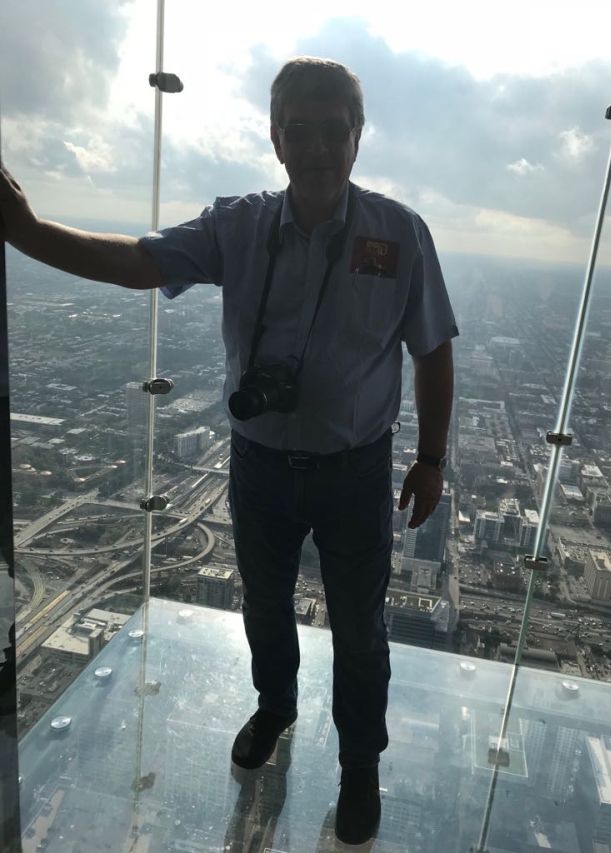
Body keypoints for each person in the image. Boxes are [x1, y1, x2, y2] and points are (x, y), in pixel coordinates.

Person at [0, 56, 458, 845]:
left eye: (334, 131)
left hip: (355, 470)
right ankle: (274, 706)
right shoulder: (238, 227)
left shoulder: (399, 234)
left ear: (359, 137)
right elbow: (136, 261)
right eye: (300, 132)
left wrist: (433, 457)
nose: (318, 149)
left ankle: (360, 763)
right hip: (260, 465)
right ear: (276, 139)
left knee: (360, 625)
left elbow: (433, 348)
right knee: (265, 604)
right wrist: (29, 233)